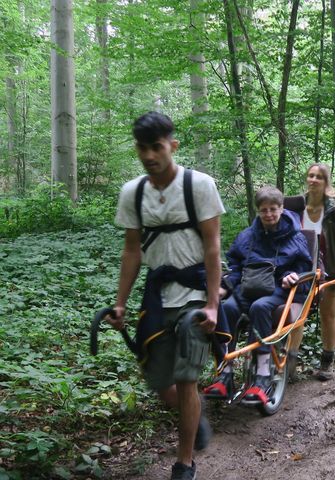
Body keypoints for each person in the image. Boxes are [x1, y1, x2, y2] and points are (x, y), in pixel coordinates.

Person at [107, 112, 225, 480]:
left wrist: (211, 303)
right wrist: (121, 302)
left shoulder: (199, 186)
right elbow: (131, 251)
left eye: (156, 147)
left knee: (187, 378)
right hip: (157, 297)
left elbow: (212, 246)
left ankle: (184, 462)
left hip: (193, 297)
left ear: (172, 145)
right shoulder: (133, 193)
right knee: (159, 380)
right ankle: (196, 414)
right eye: (142, 148)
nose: (149, 155)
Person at [205, 186, 312, 400]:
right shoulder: (247, 236)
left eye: (273, 209)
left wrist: (292, 276)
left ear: (281, 209)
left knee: (260, 307)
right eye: (264, 210)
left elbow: (305, 268)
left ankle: (262, 375)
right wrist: (224, 286)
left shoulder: (295, 237)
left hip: (278, 290)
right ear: (257, 211)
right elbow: (235, 267)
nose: (269, 214)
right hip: (248, 288)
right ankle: (225, 374)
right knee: (226, 308)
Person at [285, 163, 335, 381]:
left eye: (319, 177)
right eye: (310, 175)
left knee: (327, 313)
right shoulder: (296, 206)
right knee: (297, 314)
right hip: (305, 268)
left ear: (326, 182)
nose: (313, 180)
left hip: (334, 269)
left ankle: (327, 361)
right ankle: (289, 365)